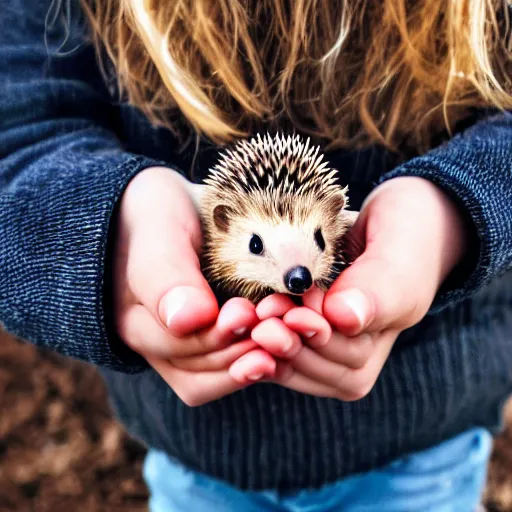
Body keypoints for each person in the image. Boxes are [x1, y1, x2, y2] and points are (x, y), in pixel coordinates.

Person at [1, 0, 511, 510]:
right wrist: (108, 234)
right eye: (257, 247)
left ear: (336, 220)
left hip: (420, 449)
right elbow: (17, 127)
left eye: (315, 243)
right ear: (219, 225)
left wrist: (449, 219)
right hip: (196, 454)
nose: (297, 273)